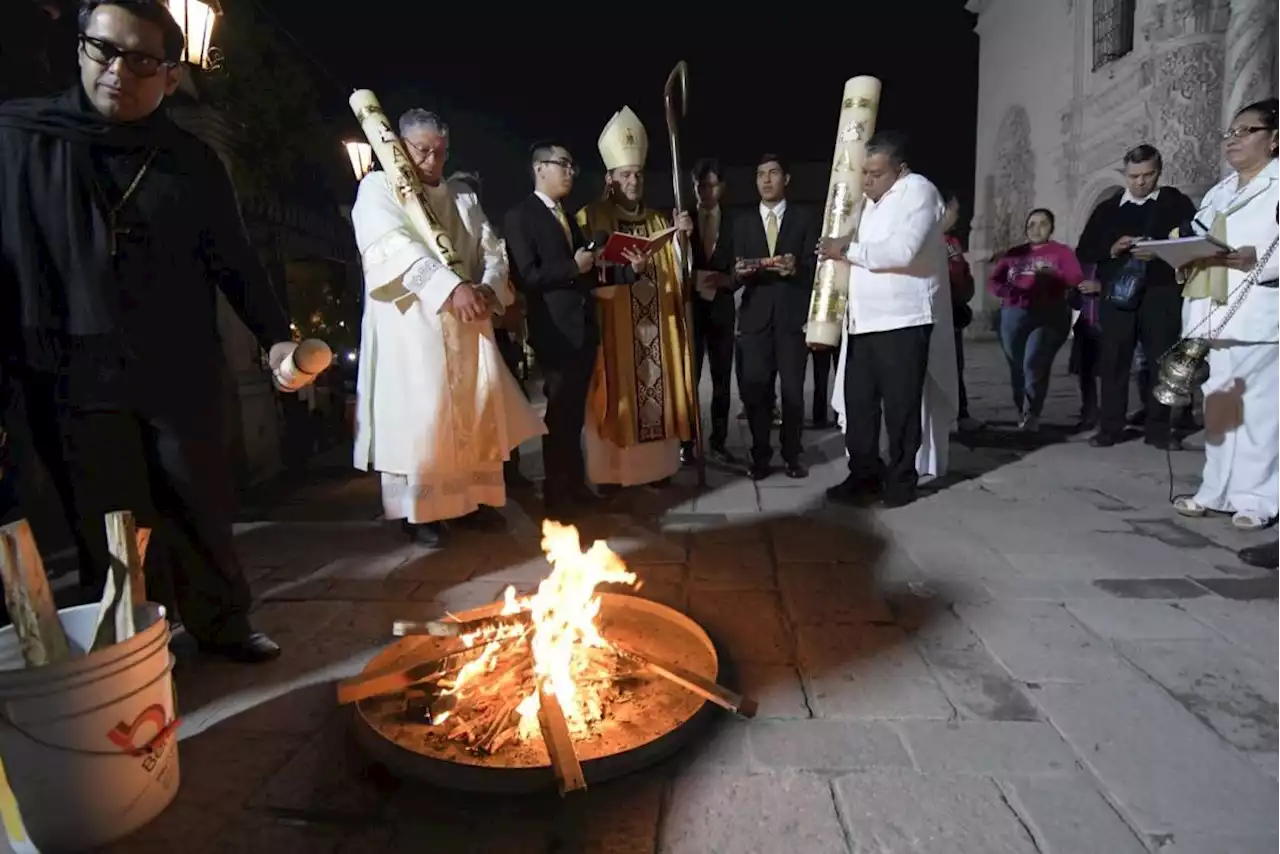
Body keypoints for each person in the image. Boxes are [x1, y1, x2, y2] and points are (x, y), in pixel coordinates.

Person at [0, 0, 296, 662]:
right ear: (79, 47)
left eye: (142, 60)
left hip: (179, 366)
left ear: (167, 75)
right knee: (107, 521)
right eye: (104, 49)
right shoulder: (19, 139)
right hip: (71, 371)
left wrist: (276, 334)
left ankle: (223, 622)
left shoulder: (190, 160)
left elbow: (236, 260)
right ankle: (129, 647)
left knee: (200, 501)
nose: (118, 71)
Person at [350, 109, 544, 547]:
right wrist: (449, 287)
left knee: (473, 414)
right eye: (422, 151)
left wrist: (488, 288)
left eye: (440, 151)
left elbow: (493, 250)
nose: (432, 161)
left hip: (468, 326)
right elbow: (392, 248)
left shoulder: (463, 197)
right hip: (413, 330)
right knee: (426, 418)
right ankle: (421, 514)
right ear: (399, 146)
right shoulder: (380, 189)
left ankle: (473, 503)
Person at [822, 131, 951, 507]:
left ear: (901, 169)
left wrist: (846, 249)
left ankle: (901, 480)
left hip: (903, 321)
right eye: (864, 173)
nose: (867, 181)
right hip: (862, 323)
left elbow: (903, 250)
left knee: (901, 408)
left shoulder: (919, 192)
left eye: (876, 174)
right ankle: (864, 474)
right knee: (858, 404)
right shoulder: (868, 203)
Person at [1174, 97, 1280, 537]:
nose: (1232, 140)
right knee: (1219, 403)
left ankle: (1258, 498)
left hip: (1259, 310)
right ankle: (1215, 490)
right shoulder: (1220, 190)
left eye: (1245, 131)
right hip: (1213, 311)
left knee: (1259, 409)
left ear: (1274, 139)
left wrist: (1261, 261)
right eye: (1229, 133)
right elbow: (1198, 237)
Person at [575, 107, 695, 489]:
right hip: (613, 324)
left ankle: (655, 470)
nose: (633, 181)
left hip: (656, 327)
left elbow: (680, 271)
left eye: (638, 175)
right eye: (626, 174)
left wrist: (682, 240)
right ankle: (611, 475)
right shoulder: (591, 217)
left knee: (656, 390)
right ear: (610, 178)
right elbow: (584, 270)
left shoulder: (661, 221)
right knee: (614, 397)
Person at [502, 141, 602, 515]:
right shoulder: (521, 216)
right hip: (554, 329)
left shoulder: (566, 216)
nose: (571, 172)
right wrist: (574, 267)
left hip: (582, 326)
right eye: (564, 164)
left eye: (573, 166)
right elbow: (527, 275)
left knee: (574, 413)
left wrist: (628, 270)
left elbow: (584, 270)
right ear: (540, 168)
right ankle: (556, 493)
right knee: (559, 412)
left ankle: (575, 484)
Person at [1076, 144, 1197, 450]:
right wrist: (1112, 249)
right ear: (1125, 174)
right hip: (1117, 295)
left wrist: (1159, 250)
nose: (1141, 182)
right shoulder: (1108, 208)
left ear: (1159, 171)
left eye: (1148, 174)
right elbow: (1085, 250)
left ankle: (1159, 430)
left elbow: (1193, 238)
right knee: (1114, 361)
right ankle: (1110, 428)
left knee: (1161, 362)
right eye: (1134, 176)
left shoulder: (1175, 202)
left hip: (1161, 293)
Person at [731, 153, 819, 480]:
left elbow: (815, 266)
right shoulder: (741, 222)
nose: (766, 180)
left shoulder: (804, 218)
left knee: (794, 391)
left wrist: (798, 268)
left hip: (792, 318)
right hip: (755, 319)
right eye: (760, 175)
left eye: (773, 173)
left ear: (787, 179)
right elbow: (732, 271)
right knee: (757, 393)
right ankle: (760, 456)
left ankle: (793, 454)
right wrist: (739, 273)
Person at [450, 169, 533, 490]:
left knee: (507, 403)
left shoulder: (487, 236)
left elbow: (503, 278)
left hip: (499, 333)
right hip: (469, 331)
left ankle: (511, 470)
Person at [988, 209, 1082, 431]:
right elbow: (994, 281)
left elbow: (1075, 277)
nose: (1036, 228)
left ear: (1051, 228)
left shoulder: (1061, 252)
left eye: (1042, 224)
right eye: (1031, 224)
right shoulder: (1015, 253)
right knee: (1016, 365)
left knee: (1034, 361)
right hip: (1014, 312)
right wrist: (1008, 290)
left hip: (1048, 314)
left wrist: (1052, 274)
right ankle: (1022, 410)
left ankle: (1032, 414)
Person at [683, 157, 738, 465]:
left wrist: (728, 280)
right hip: (692, 311)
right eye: (700, 185)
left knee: (721, 380)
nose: (705, 191)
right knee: (690, 379)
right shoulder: (683, 219)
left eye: (711, 185)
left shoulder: (735, 221)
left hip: (721, 310)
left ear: (722, 187)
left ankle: (718, 440)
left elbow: (741, 265)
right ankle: (688, 442)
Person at [943, 191, 981, 432]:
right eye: (954, 211)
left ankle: (961, 413)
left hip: (954, 311)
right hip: (938, 312)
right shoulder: (926, 239)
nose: (957, 217)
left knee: (956, 366)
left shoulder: (951, 242)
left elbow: (962, 271)